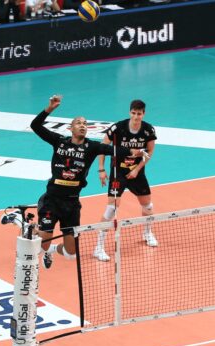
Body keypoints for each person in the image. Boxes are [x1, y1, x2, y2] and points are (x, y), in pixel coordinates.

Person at [29, 95, 142, 269]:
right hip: (52, 200)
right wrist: (49, 108)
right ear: (71, 128)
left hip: (72, 205)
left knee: (70, 254)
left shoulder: (92, 147)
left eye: (85, 124)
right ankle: (30, 228)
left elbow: (113, 149)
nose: (83, 125)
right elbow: (35, 126)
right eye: (79, 123)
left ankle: (51, 250)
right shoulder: (59, 141)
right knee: (39, 247)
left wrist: (130, 151)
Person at [93, 99, 158, 261]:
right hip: (118, 173)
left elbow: (149, 152)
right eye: (133, 113)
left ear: (144, 114)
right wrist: (101, 169)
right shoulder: (118, 128)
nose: (136, 117)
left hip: (137, 173)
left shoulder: (148, 130)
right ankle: (98, 247)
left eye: (139, 114)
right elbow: (102, 146)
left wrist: (137, 169)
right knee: (111, 208)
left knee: (148, 206)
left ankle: (147, 233)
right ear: (130, 112)